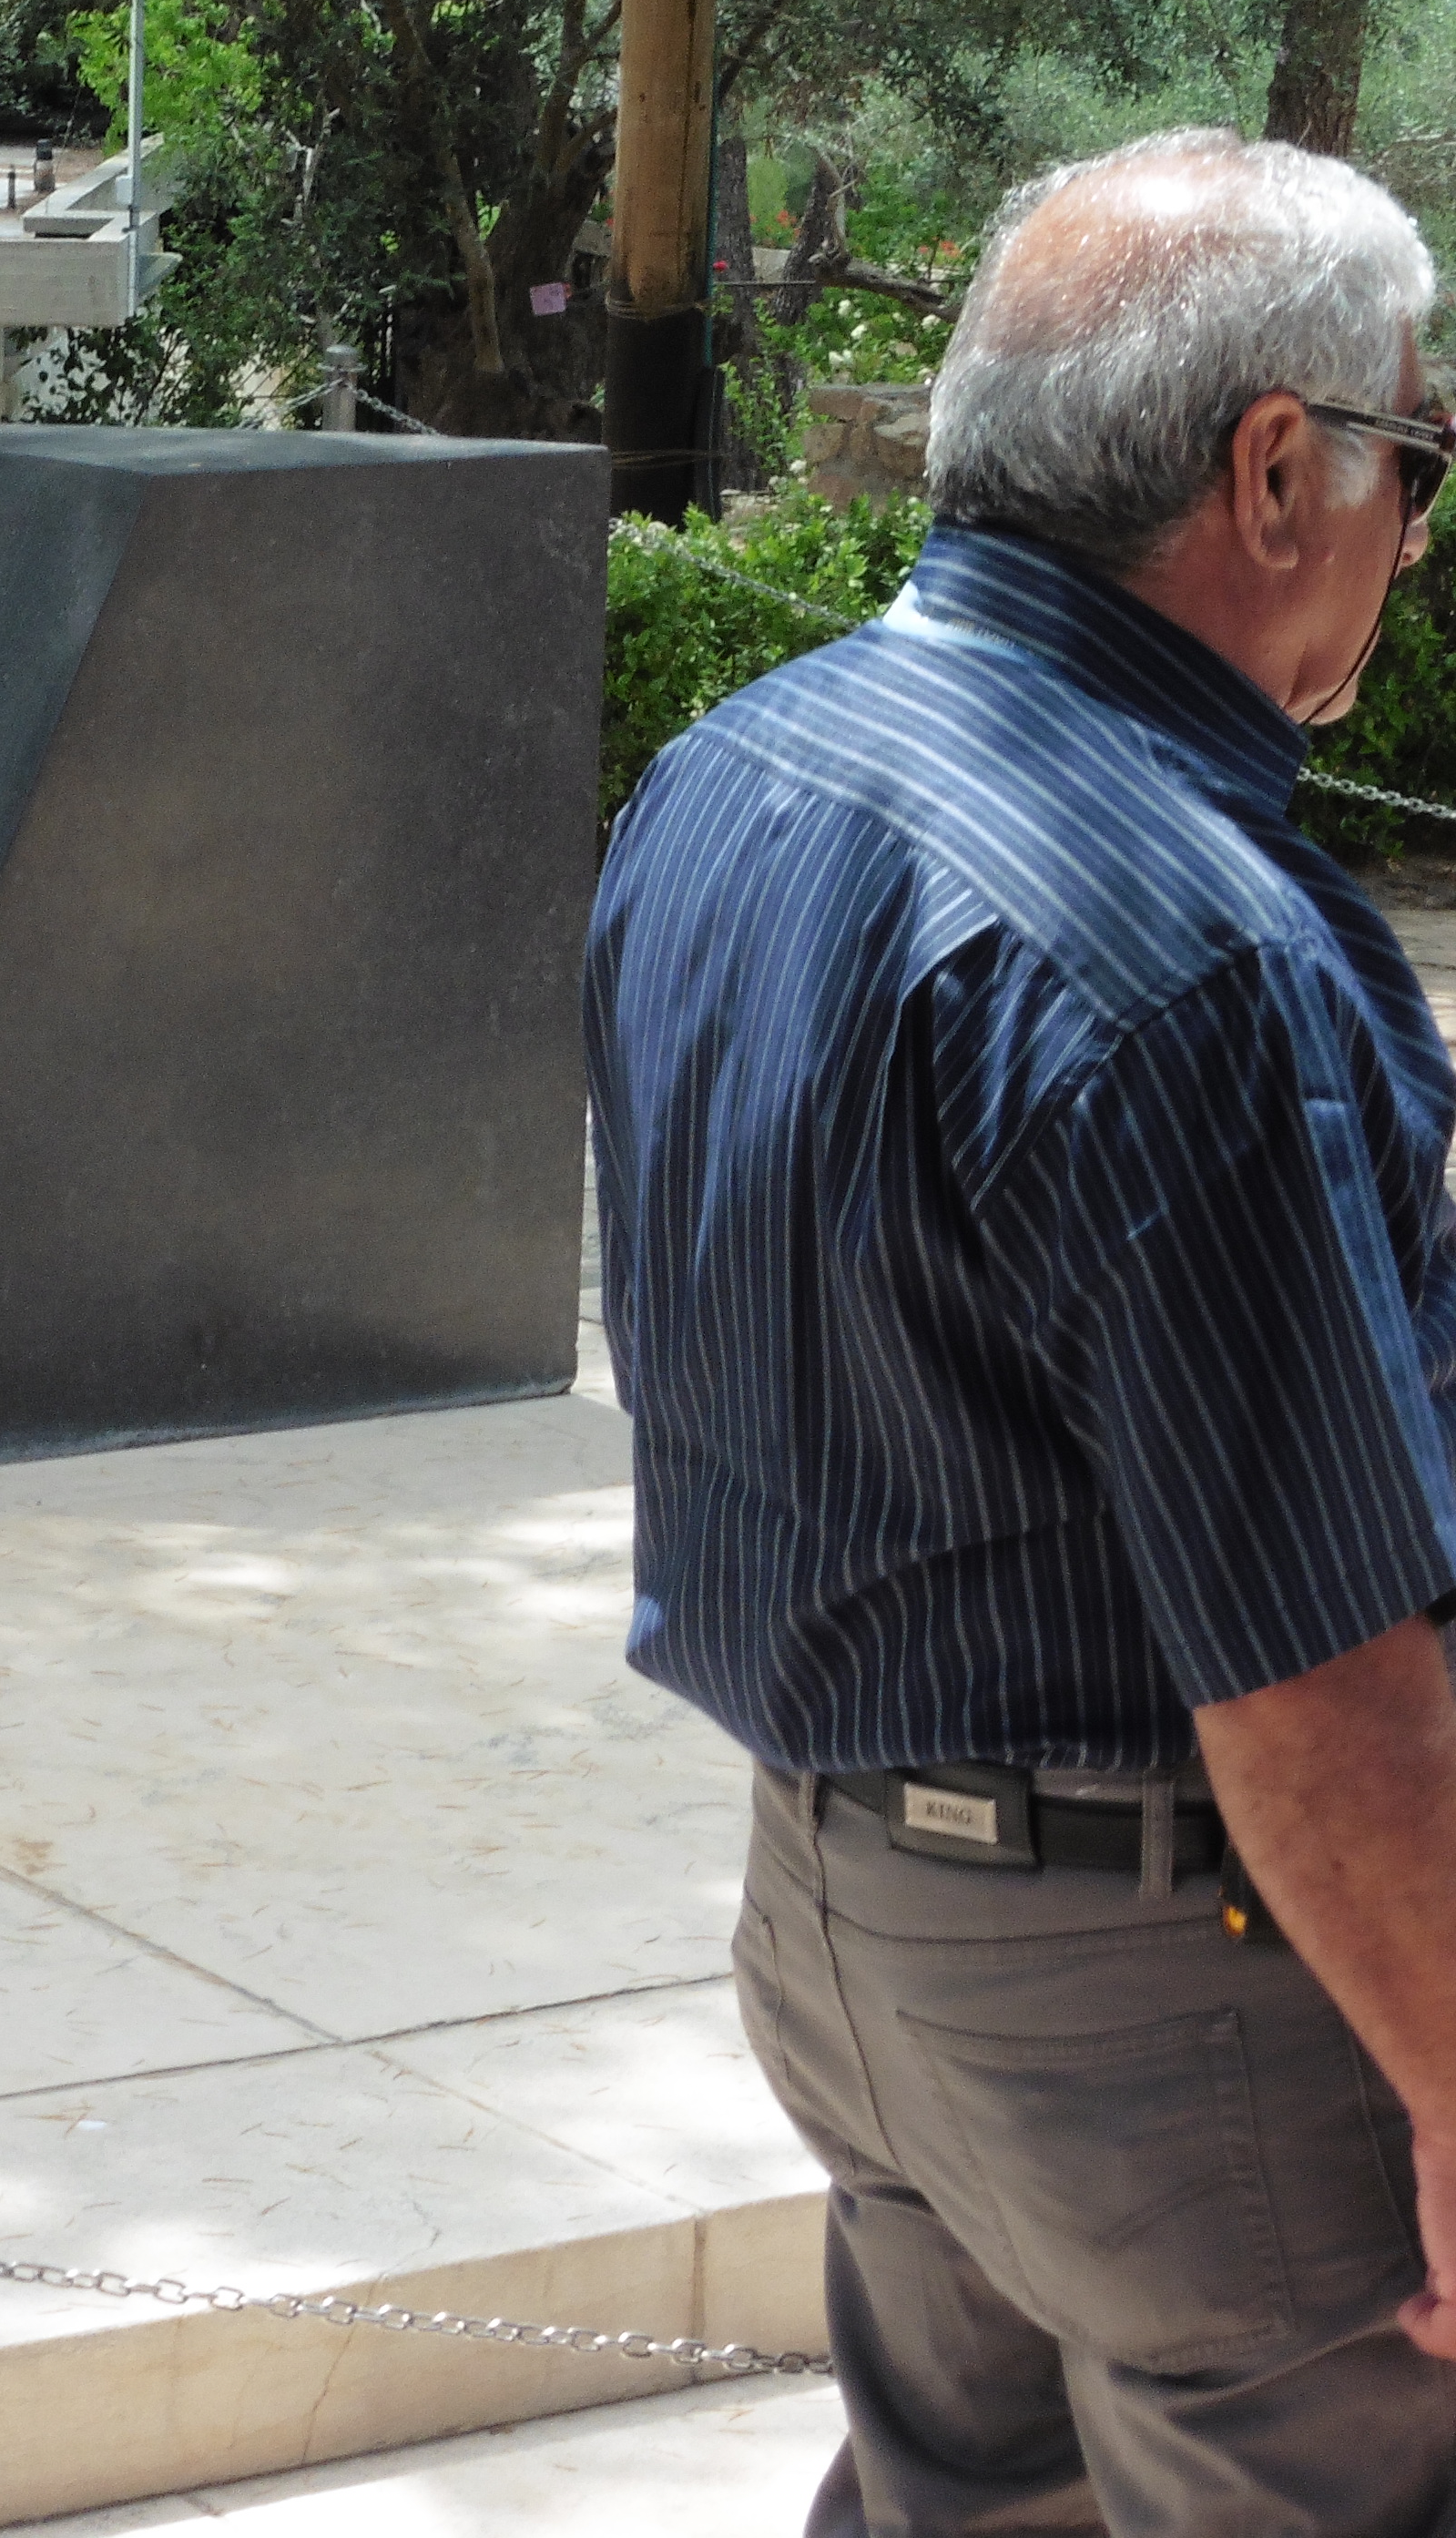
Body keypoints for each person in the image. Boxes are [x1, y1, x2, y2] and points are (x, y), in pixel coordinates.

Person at [589, 126, 1456, 2534]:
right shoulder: (1212, 954)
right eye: (1424, 456)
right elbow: (1315, 1672)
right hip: (1173, 1999)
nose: (1419, 527)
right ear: (1280, 466)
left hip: (844, 1936)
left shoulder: (725, 782)